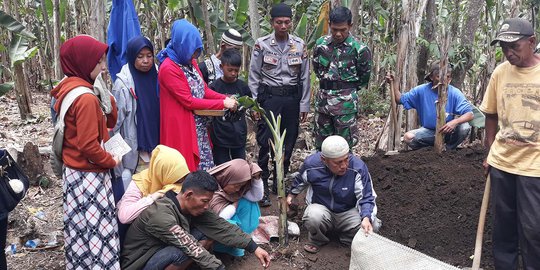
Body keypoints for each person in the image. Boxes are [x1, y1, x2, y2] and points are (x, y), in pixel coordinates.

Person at [51, 35, 121, 269]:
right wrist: (111, 161)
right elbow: (90, 146)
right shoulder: (86, 99)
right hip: (90, 176)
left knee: (81, 233)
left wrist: (101, 89)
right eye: (98, 62)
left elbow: (110, 116)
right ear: (83, 61)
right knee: (100, 233)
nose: (103, 67)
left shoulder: (68, 87)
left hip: (74, 175)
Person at [480, 17, 540, 270]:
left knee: (533, 229)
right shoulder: (500, 72)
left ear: (532, 42)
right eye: (504, 48)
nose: (508, 53)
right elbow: (490, 114)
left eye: (514, 46)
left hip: (534, 167)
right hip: (503, 162)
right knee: (503, 227)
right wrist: (490, 151)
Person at [121, 170, 271, 270]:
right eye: (204, 201)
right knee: (182, 250)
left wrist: (254, 247)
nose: (207, 206)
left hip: (159, 252)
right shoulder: (161, 216)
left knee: (209, 231)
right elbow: (192, 247)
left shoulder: (191, 207)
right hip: (140, 265)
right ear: (188, 195)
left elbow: (220, 226)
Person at [249, 3, 310, 206]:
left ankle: (279, 179)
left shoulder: (299, 45)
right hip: (270, 99)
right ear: (272, 23)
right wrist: (254, 105)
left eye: (286, 22)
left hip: (291, 99)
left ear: (291, 22)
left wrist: (304, 105)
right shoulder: (262, 44)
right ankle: (263, 186)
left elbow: (305, 77)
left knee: (289, 141)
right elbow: (254, 76)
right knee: (266, 142)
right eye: (279, 22)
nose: (283, 26)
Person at [158, 19, 238, 171]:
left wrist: (225, 98)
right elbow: (189, 101)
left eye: (196, 52)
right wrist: (222, 104)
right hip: (182, 125)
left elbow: (204, 90)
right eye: (192, 52)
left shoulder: (191, 62)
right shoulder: (168, 68)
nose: (194, 56)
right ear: (182, 46)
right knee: (185, 170)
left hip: (199, 126)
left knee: (205, 169)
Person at [287, 135, 380, 254]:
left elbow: (366, 196)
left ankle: (347, 239)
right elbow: (299, 181)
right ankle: (318, 240)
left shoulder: (358, 167)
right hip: (322, 209)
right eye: (338, 162)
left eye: (346, 159)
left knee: (374, 226)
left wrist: (366, 218)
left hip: (348, 211)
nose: (344, 165)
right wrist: (290, 196)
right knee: (312, 215)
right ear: (324, 160)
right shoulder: (312, 165)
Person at [312, 6, 372, 150]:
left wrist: (346, 90)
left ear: (350, 26)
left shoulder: (360, 49)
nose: (338, 34)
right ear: (330, 25)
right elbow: (317, 69)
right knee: (322, 146)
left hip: (346, 106)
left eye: (343, 30)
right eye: (334, 29)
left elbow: (364, 77)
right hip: (323, 104)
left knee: (344, 146)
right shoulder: (321, 45)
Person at [385, 61, 473, 150]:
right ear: (431, 77)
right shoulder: (421, 91)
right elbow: (400, 99)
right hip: (430, 132)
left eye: (447, 77)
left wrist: (455, 122)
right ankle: (429, 151)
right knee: (408, 137)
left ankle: (449, 149)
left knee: (464, 127)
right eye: (439, 76)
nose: (444, 80)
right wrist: (394, 83)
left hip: (449, 131)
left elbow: (470, 114)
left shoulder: (455, 93)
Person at [112, 35, 160, 191]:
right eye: (140, 57)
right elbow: (115, 124)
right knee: (139, 187)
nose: (145, 60)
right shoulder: (123, 84)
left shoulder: (158, 76)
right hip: (135, 147)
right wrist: (117, 160)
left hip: (158, 142)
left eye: (149, 56)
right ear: (132, 57)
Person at [117, 145, 190, 224]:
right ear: (162, 172)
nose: (181, 182)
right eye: (177, 179)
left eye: (183, 176)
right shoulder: (141, 182)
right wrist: (154, 197)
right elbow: (124, 217)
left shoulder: (184, 181)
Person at [208, 159, 264, 256]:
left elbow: (256, 197)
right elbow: (220, 218)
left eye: (241, 186)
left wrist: (256, 179)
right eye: (235, 185)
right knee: (229, 225)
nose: (238, 189)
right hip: (213, 229)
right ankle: (225, 249)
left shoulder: (236, 190)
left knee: (249, 203)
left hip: (228, 215)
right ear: (226, 178)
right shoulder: (211, 188)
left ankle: (245, 239)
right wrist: (234, 205)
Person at [208, 49, 251, 165]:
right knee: (222, 169)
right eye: (230, 70)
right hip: (220, 137)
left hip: (238, 136)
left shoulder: (243, 87)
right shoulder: (214, 88)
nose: (233, 73)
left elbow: (250, 105)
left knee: (241, 167)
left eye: (236, 70)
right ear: (221, 67)